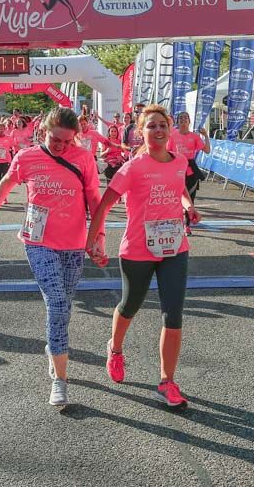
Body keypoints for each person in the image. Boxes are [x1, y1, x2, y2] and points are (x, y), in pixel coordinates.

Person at [0, 108, 106, 406]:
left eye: (67, 141)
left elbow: (94, 200)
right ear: (43, 130)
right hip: (37, 242)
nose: (61, 146)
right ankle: (60, 380)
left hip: (74, 244)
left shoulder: (83, 159)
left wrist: (98, 238)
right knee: (57, 301)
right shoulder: (26, 157)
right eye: (55, 139)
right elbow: (7, 183)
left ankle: (55, 349)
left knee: (63, 306)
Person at [85, 105, 198, 409]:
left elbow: (181, 188)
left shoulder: (180, 161)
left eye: (163, 125)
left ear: (170, 129)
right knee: (130, 305)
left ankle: (167, 382)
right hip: (138, 248)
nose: (158, 131)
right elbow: (105, 203)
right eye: (151, 126)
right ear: (140, 132)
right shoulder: (133, 167)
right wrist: (93, 239)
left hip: (175, 246)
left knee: (173, 314)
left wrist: (188, 207)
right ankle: (116, 348)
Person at [167, 112, 211, 202]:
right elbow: (167, 153)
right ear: (177, 122)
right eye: (181, 118)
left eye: (185, 117)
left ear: (189, 121)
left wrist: (206, 136)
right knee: (176, 198)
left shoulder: (194, 136)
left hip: (191, 171)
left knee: (190, 198)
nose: (183, 119)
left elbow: (207, 151)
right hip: (176, 171)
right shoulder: (172, 136)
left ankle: (189, 215)